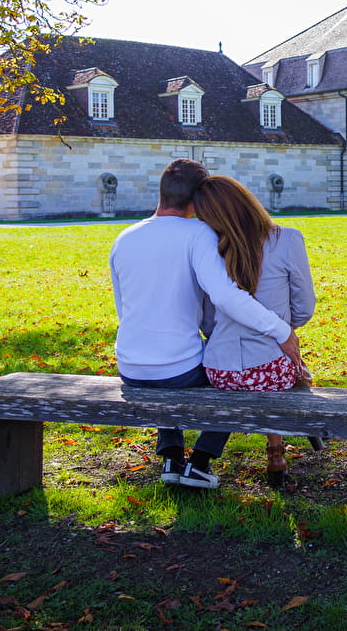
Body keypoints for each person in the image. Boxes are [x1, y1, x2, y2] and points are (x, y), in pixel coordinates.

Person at [110, 159, 301, 490]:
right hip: (177, 371)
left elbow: (122, 309)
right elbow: (226, 297)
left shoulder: (124, 238)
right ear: (199, 197)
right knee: (233, 373)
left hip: (128, 365)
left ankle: (171, 456)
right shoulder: (198, 233)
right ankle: (199, 462)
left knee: (167, 365)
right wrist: (281, 331)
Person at [193, 175, 316, 486]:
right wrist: (284, 328)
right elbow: (305, 306)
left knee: (263, 369)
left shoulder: (212, 252)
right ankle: (276, 452)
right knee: (284, 359)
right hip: (269, 370)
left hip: (219, 370)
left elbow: (208, 321)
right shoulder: (286, 239)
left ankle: (204, 457)